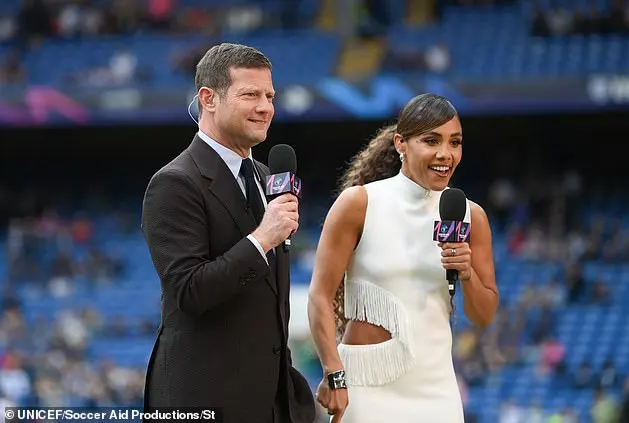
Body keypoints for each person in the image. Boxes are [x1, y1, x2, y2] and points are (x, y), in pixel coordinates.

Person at [141, 43, 316, 423]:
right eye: (250, 94)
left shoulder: (269, 178)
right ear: (209, 98)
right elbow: (189, 291)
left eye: (270, 96)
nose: (266, 107)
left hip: (271, 402)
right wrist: (262, 238)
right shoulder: (174, 183)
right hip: (202, 398)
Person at [307, 93, 499, 422]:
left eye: (455, 142)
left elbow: (483, 315)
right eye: (431, 140)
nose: (445, 154)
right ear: (401, 144)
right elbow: (319, 297)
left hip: (437, 388)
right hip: (367, 386)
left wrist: (466, 273)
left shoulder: (472, 217)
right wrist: (333, 372)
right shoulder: (359, 203)